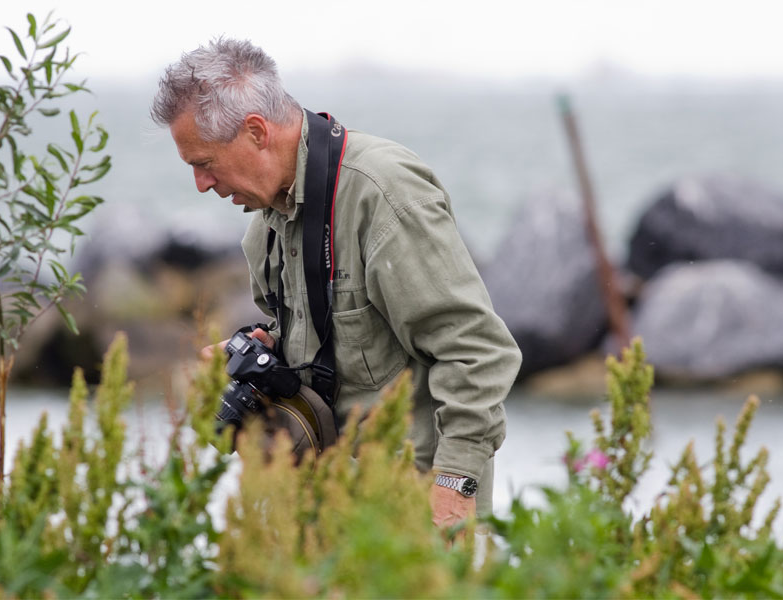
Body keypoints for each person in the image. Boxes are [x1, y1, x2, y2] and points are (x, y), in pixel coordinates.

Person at [151, 38, 522, 529]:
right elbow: (339, 341)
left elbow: (477, 350)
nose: (200, 184)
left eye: (204, 163)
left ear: (257, 132)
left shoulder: (383, 194)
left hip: (414, 514)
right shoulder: (264, 224)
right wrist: (265, 352)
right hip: (324, 512)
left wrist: (455, 486)